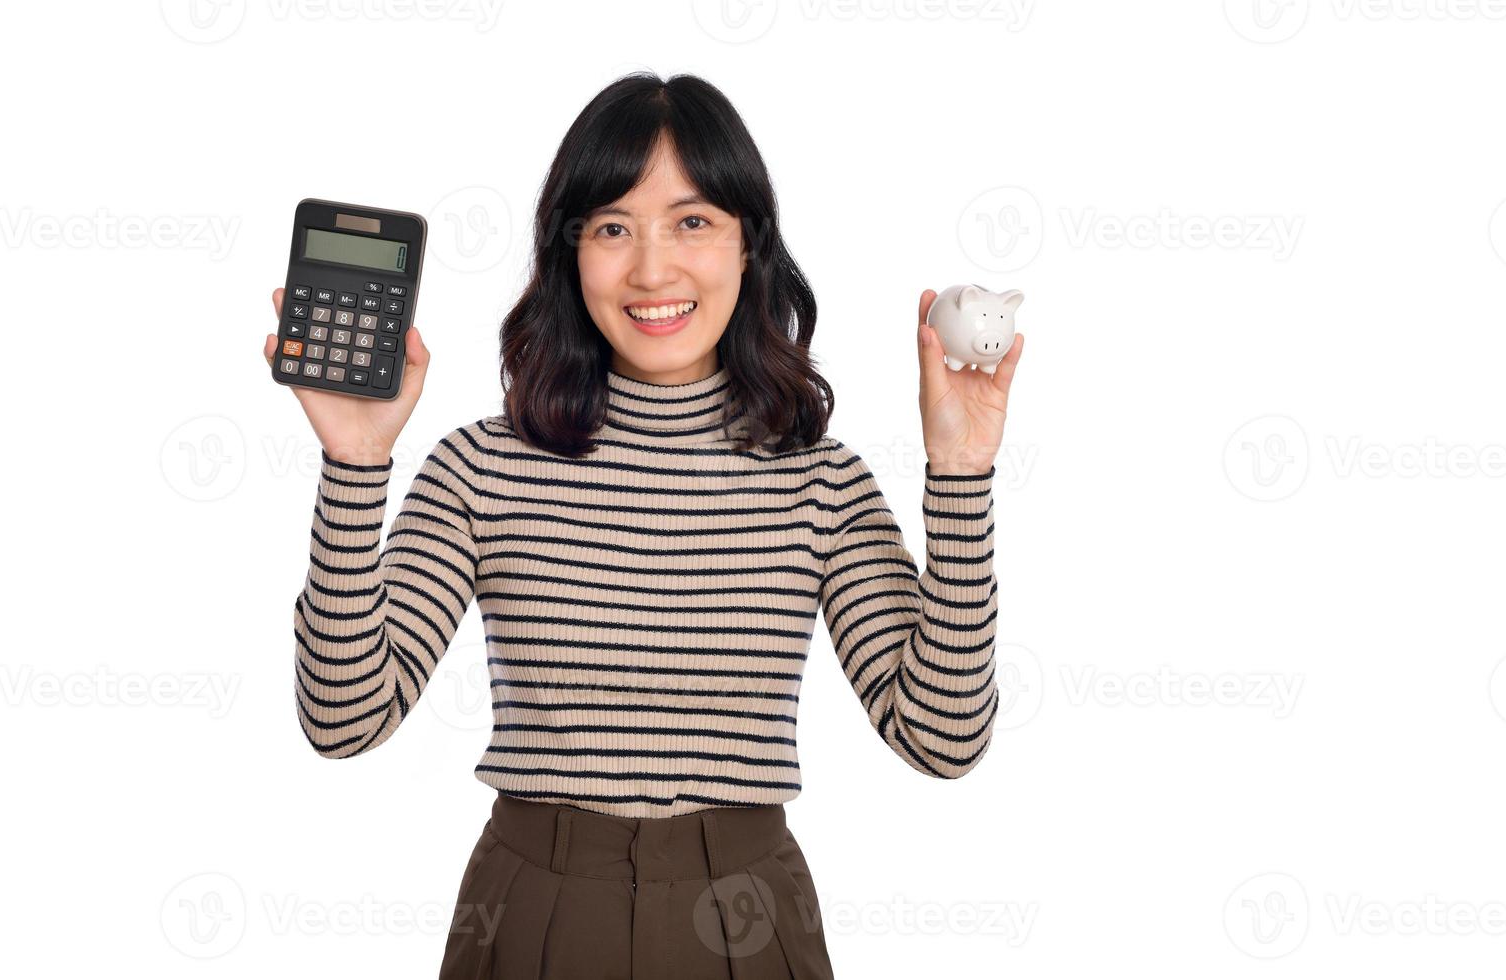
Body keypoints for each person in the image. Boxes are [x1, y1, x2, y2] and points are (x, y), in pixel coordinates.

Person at [263, 72, 1023, 980]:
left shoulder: (820, 481)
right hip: (530, 907)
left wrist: (962, 478)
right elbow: (342, 719)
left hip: (746, 914)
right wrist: (355, 466)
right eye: (613, 227)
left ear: (750, 247)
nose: (652, 269)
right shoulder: (480, 468)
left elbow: (942, 740)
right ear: (569, 252)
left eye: (692, 222)